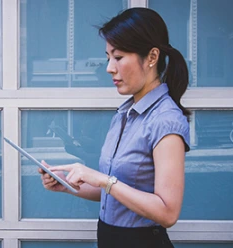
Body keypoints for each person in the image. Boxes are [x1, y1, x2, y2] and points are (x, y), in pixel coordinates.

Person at [38, 7, 190, 248]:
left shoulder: (165, 120)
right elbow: (115, 191)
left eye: (118, 57)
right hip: (109, 238)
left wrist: (102, 179)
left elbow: (167, 213)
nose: (109, 67)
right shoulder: (123, 114)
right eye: (108, 57)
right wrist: (67, 185)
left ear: (152, 57)